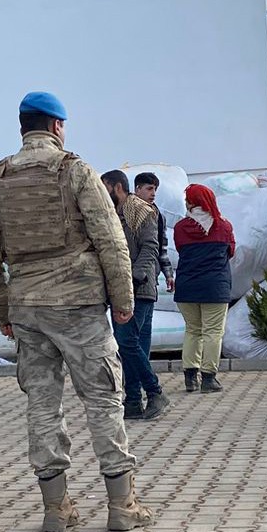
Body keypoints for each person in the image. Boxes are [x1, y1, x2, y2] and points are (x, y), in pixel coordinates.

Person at [0, 91, 153, 532]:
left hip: (28, 308)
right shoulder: (76, 172)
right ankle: (121, 505)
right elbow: (110, 239)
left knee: (42, 404)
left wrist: (2, 311)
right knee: (103, 398)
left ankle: (56, 509)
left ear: (22, 127)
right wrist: (124, 301)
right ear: (56, 126)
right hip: (79, 305)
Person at [101, 169, 167, 420]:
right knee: (132, 345)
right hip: (119, 288)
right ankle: (132, 401)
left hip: (139, 288)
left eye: (104, 187)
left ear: (117, 187)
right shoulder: (112, 215)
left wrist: (136, 276)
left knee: (126, 342)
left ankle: (154, 391)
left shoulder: (141, 211)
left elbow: (151, 247)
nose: (102, 193)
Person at [172, 183, 234, 393]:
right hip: (215, 287)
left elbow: (181, 249)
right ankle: (209, 378)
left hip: (187, 287)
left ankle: (190, 378)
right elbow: (230, 251)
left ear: (191, 202)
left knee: (193, 330)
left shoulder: (181, 228)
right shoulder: (223, 226)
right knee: (213, 332)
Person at [133, 171, 174, 294]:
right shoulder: (127, 212)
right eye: (149, 189)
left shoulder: (158, 216)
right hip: (131, 276)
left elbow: (162, 248)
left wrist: (168, 274)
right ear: (137, 189)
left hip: (150, 277)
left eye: (155, 189)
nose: (153, 193)